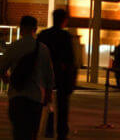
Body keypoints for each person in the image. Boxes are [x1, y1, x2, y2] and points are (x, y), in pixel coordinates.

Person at [0, 15, 54, 140]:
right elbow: (49, 77)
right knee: (32, 134)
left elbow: (2, 70)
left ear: (20, 28)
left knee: (18, 133)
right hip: (36, 98)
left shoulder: (13, 47)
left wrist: (8, 80)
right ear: (35, 29)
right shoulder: (43, 49)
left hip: (16, 97)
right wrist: (48, 96)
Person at [36, 8, 78, 140]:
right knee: (62, 106)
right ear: (64, 20)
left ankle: (43, 129)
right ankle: (61, 132)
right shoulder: (65, 36)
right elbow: (70, 59)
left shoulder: (43, 34)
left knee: (42, 104)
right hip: (61, 76)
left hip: (44, 75)